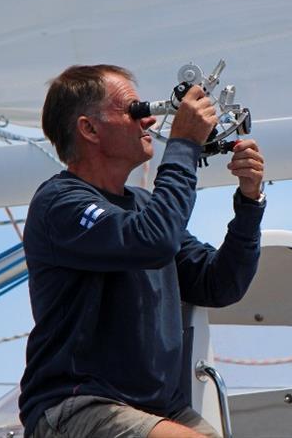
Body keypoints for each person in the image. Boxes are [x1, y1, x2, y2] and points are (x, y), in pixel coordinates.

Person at [19, 64, 266, 438]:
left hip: (158, 409)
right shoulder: (60, 204)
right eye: (134, 111)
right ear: (89, 129)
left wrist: (250, 202)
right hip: (79, 406)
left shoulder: (143, 207)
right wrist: (183, 145)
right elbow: (153, 240)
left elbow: (219, 284)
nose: (149, 120)